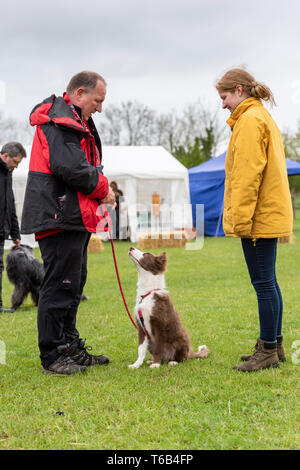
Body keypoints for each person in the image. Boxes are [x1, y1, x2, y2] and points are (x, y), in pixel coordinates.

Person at [21, 71, 116, 375]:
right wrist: (103, 188)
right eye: (97, 100)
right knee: (59, 284)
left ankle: (69, 345)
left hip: (70, 215)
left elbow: (83, 164)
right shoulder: (59, 122)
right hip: (57, 214)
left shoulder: (73, 121)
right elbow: (71, 167)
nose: (99, 107)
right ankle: (52, 354)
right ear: (78, 93)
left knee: (73, 284)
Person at [216, 68, 293, 372]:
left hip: (258, 217)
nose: (223, 104)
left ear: (238, 90)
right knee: (268, 282)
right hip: (265, 213)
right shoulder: (259, 116)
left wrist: (242, 220)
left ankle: (269, 351)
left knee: (263, 283)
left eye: (224, 97)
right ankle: (272, 344)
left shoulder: (249, 120)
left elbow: (247, 176)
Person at [0, 142, 26, 313]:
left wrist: (15, 233)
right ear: (5, 155)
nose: (16, 166)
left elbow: (10, 205)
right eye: (15, 162)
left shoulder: (7, 174)